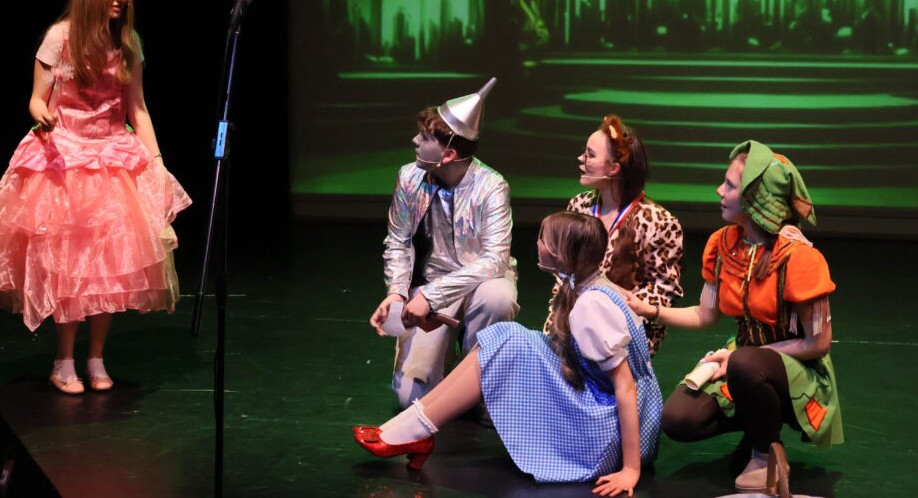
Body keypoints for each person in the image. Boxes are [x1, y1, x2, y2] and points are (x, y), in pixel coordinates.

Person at [0, 0, 191, 395]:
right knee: (69, 267)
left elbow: (137, 109)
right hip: (65, 157)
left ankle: (96, 356)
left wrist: (157, 163)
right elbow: (36, 95)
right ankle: (63, 359)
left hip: (109, 157)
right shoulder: (59, 37)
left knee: (105, 268)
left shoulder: (128, 44)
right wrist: (39, 111)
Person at [354, 211, 662, 496]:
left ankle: (415, 429)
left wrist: (630, 468)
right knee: (505, 337)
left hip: (603, 433)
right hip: (597, 405)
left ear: (560, 253)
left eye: (544, 240)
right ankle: (413, 424)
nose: (538, 244)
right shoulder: (588, 287)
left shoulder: (590, 306)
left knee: (510, 340)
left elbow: (625, 386)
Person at [625, 140, 842, 493]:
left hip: (796, 368)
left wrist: (740, 358)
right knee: (678, 419)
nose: (719, 191)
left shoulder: (800, 259)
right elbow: (705, 313)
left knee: (744, 364)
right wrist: (650, 311)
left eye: (729, 185)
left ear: (756, 197)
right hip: (740, 360)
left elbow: (817, 343)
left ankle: (763, 453)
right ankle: (761, 430)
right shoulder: (723, 245)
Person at [369, 78, 519, 408]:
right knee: (410, 399)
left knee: (498, 297)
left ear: (448, 153)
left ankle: (476, 377)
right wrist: (397, 291)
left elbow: (494, 259)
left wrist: (432, 296)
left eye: (424, 138)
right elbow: (398, 239)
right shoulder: (409, 176)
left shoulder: (492, 186)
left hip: (479, 283)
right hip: (431, 283)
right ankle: (445, 367)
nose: (415, 141)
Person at [545, 114, 683, 356]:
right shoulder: (579, 207)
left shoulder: (660, 222)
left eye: (590, 154)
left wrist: (606, 309)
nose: (581, 158)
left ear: (614, 168)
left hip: (623, 332)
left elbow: (664, 289)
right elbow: (563, 275)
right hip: (572, 320)